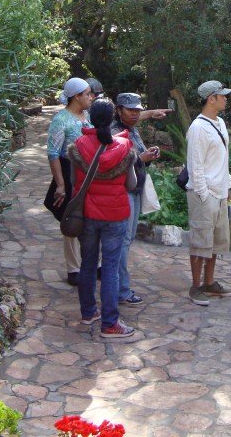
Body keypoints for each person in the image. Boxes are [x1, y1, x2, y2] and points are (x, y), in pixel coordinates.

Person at [68, 98, 137, 337]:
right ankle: (110, 323)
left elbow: (74, 182)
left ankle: (88, 312)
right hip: (115, 215)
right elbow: (131, 184)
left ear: (90, 118)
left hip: (87, 214)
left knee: (87, 263)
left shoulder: (78, 146)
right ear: (112, 118)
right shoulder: (124, 147)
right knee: (110, 268)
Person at [186, 80, 231, 306]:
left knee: (215, 242)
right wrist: (204, 194)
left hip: (219, 192)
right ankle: (195, 286)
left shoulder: (220, 123)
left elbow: (223, 159)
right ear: (211, 99)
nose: (225, 98)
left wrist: (227, 186)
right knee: (200, 242)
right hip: (203, 194)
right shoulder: (198, 128)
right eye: (222, 95)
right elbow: (195, 165)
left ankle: (209, 282)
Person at [111, 93, 161, 306]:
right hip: (123, 191)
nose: (135, 114)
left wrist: (147, 157)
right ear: (119, 110)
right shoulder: (114, 132)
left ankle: (118, 286)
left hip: (135, 189)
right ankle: (121, 289)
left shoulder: (133, 129)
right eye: (130, 110)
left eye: (137, 110)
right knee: (122, 241)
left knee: (128, 239)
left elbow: (137, 158)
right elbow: (115, 163)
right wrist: (141, 158)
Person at [47, 77, 94, 285]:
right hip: (70, 172)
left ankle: (94, 263)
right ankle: (73, 268)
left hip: (89, 173)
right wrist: (60, 184)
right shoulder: (61, 120)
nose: (91, 98)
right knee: (71, 218)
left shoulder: (88, 116)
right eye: (87, 94)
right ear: (77, 96)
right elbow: (53, 153)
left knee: (91, 218)